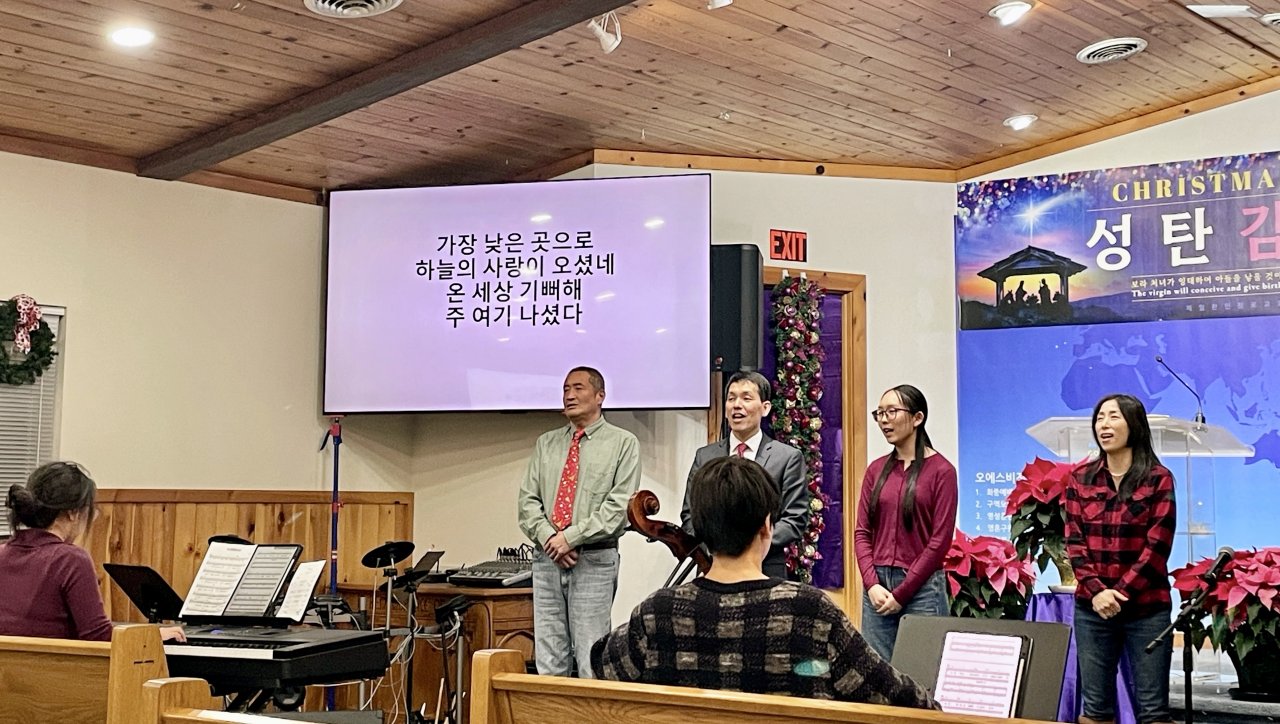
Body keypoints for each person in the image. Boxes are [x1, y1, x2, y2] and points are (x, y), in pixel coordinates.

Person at [593, 456, 937, 709]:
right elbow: (898, 698)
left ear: (700, 527)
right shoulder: (808, 610)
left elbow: (602, 662)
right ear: (766, 528)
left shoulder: (658, 612)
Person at [517, 366, 640, 678]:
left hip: (594, 559)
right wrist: (551, 538)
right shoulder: (546, 443)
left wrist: (570, 538)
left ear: (600, 396)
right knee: (549, 659)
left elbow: (617, 507)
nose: (569, 395)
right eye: (565, 389)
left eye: (578, 388)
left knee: (590, 658)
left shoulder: (623, 443)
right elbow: (527, 501)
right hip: (547, 559)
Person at [1065, 394, 1176, 724]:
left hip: (1147, 609)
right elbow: (1075, 542)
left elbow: (1157, 546)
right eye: (1100, 418)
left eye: (1114, 417)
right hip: (1093, 609)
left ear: (1134, 425)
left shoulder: (1158, 478)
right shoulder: (1080, 479)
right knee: (1096, 710)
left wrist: (1120, 593)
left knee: (1153, 711)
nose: (1104, 425)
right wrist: (1098, 592)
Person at [0, 461, 185, 642]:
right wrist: (152, 636)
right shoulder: (70, 560)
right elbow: (97, 635)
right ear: (73, 513)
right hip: (54, 663)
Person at [854, 384, 957, 661]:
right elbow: (862, 532)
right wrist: (871, 584)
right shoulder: (876, 469)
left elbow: (940, 541)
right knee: (878, 673)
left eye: (892, 412)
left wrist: (902, 593)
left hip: (922, 588)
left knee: (921, 672)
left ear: (917, 418)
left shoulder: (943, 471)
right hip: (877, 588)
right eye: (880, 413)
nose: (884, 420)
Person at [680, 370, 806, 580]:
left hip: (766, 570)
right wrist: (717, 548)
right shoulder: (705, 456)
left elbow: (795, 519)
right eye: (731, 399)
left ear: (765, 408)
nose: (737, 405)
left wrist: (750, 547)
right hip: (714, 570)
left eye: (746, 398)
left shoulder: (787, 458)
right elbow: (689, 516)